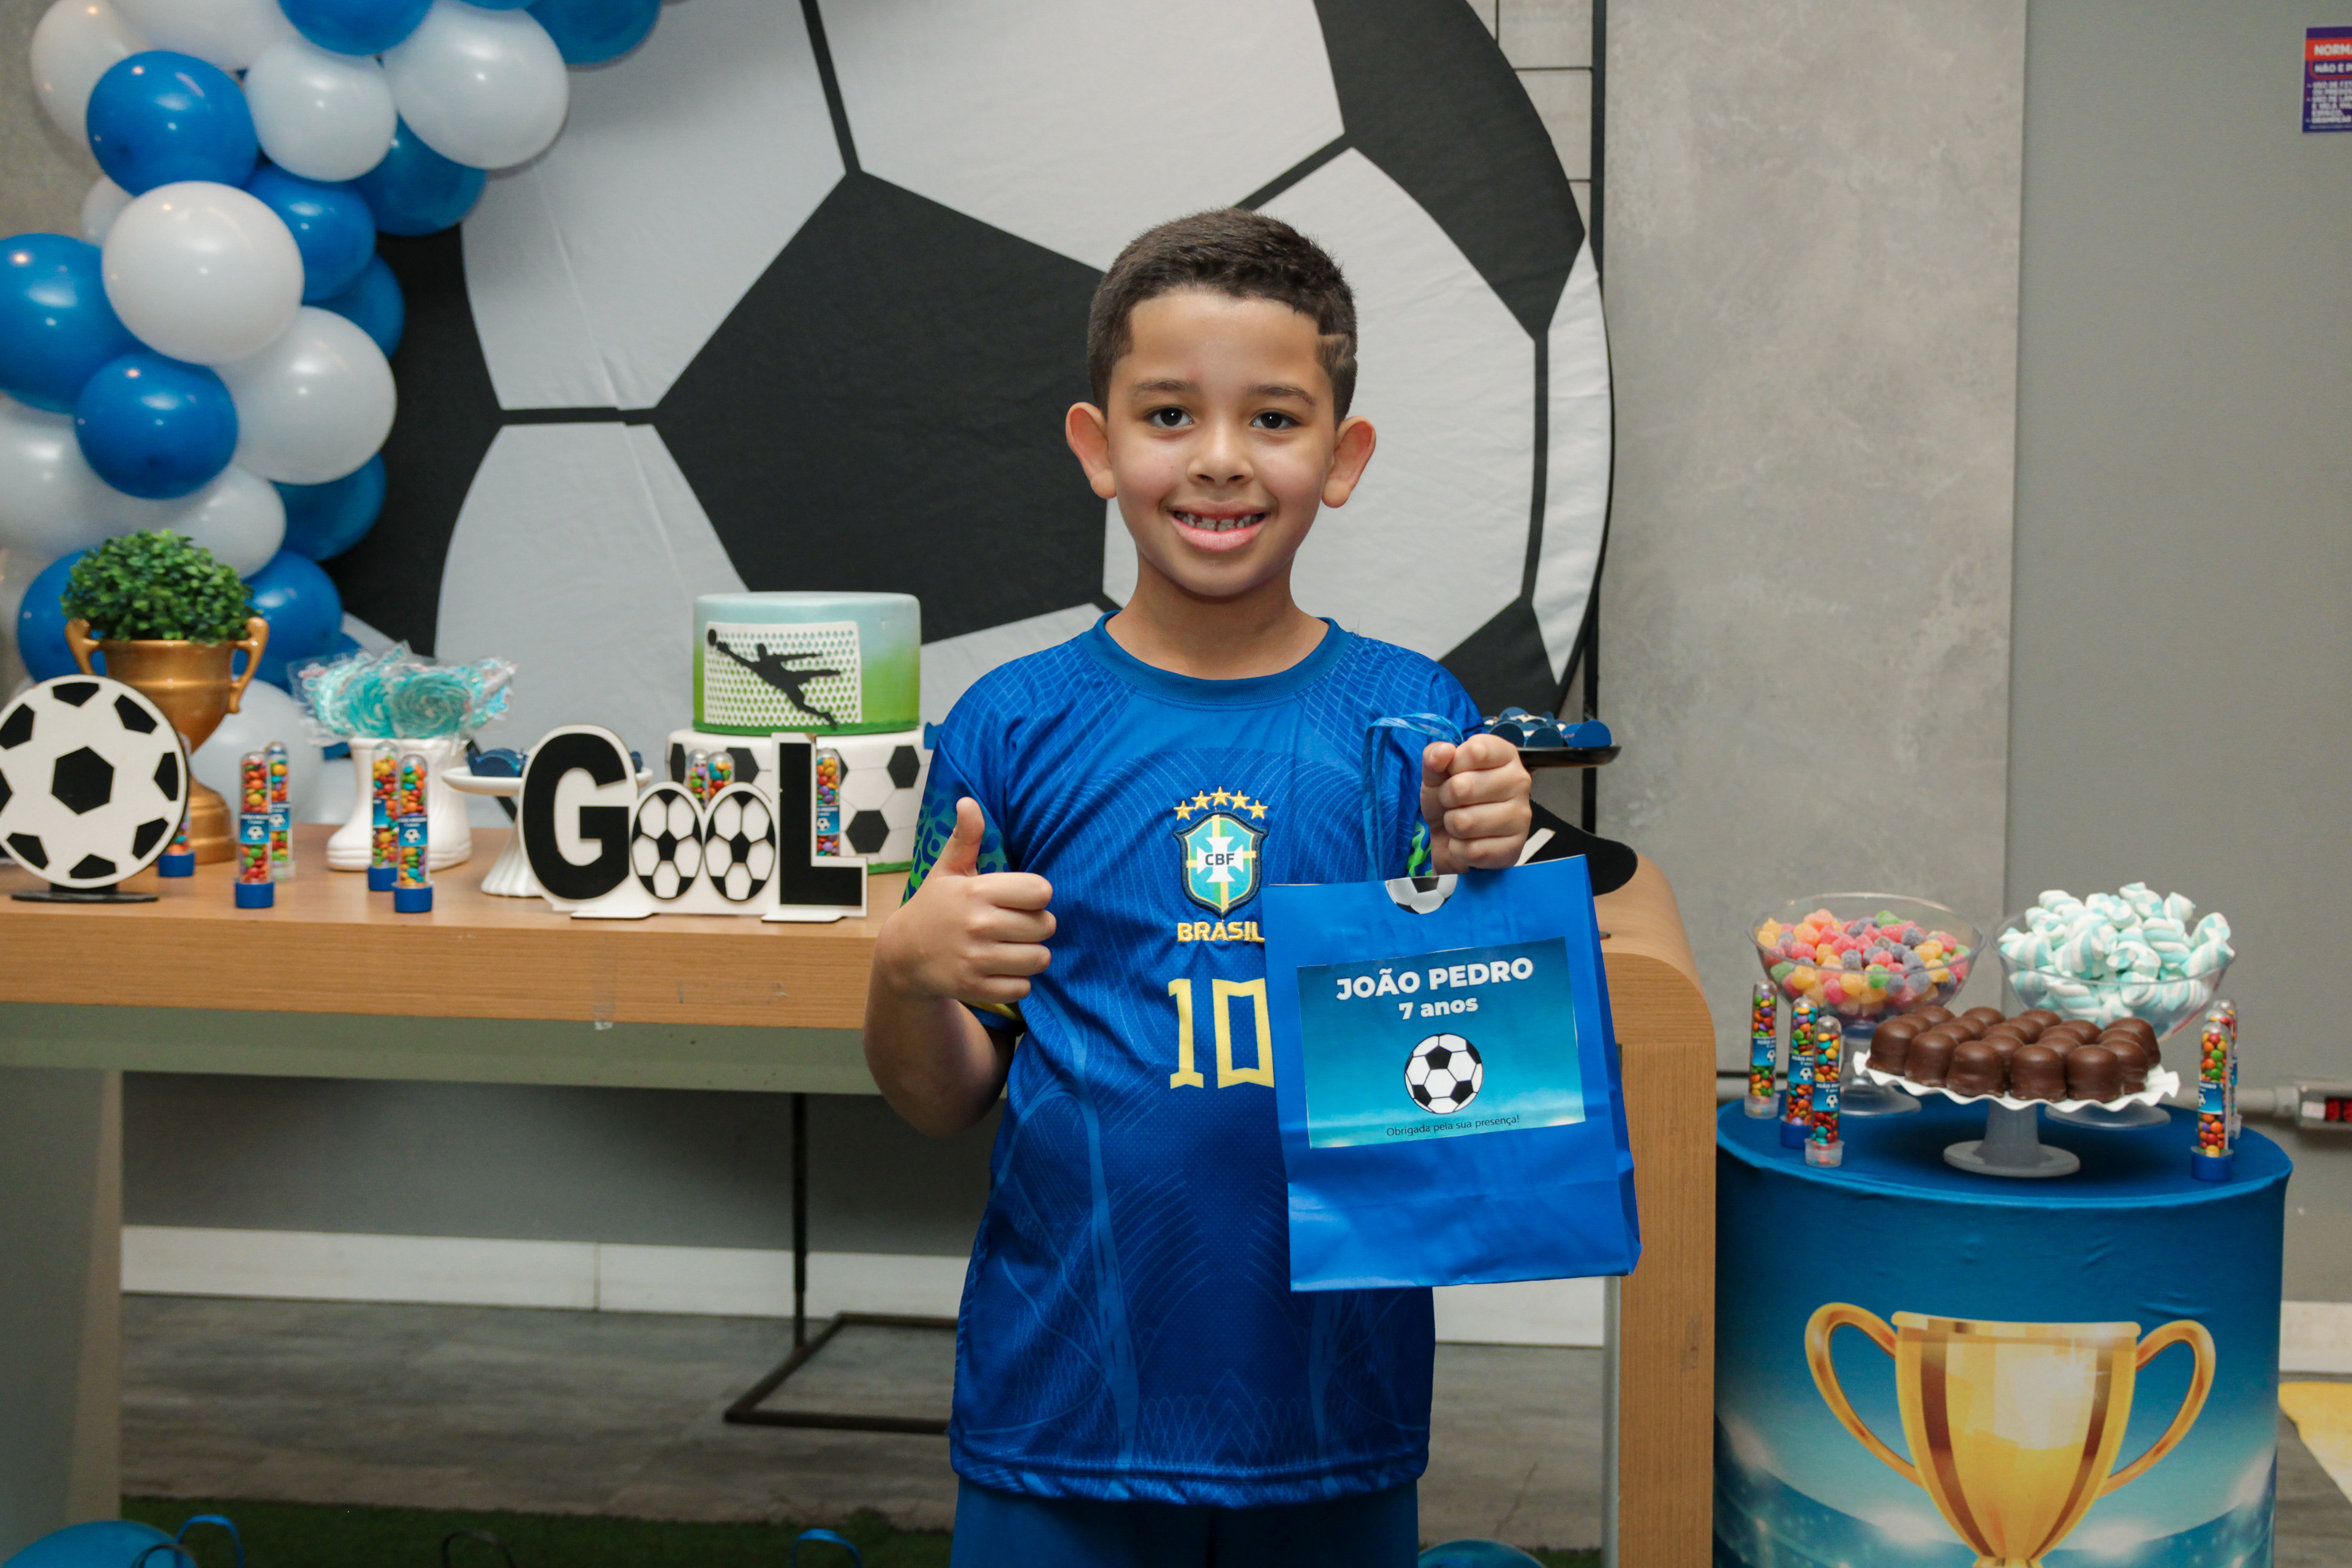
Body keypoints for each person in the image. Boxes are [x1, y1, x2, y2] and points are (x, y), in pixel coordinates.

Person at [863, 208, 1534, 1568]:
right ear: (1097, 446)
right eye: (1169, 413)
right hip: (1068, 1404)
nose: (1220, 459)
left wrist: (1490, 868)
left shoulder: (1414, 723)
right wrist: (903, 969)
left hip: (1331, 1405)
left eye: (1273, 419)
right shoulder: (1013, 725)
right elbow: (940, 1097)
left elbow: (1465, 1084)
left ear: (1341, 459)